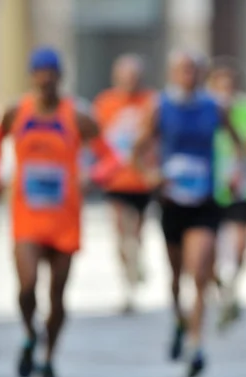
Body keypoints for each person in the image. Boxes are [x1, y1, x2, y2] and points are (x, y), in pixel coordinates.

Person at [0, 47, 120, 377]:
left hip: (64, 220)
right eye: (39, 73)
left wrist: (95, 176)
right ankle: (31, 334)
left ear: (60, 76)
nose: (45, 79)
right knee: (27, 288)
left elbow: (111, 157)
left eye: (51, 73)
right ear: (32, 76)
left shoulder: (78, 115)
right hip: (27, 216)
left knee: (57, 297)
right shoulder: (17, 112)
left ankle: (48, 360)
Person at [133, 50, 243, 377]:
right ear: (172, 73)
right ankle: (180, 323)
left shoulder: (215, 107)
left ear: (202, 73)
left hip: (205, 201)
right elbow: (137, 151)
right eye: (182, 70)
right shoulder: (161, 107)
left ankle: (197, 344)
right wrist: (150, 175)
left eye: (193, 70)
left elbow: (237, 144)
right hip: (172, 202)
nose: (188, 75)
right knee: (176, 278)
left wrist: (234, 173)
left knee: (199, 272)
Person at [93, 53, 159, 313]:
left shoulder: (151, 102)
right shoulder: (104, 103)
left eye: (134, 77)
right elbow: (96, 140)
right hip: (116, 180)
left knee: (137, 234)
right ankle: (127, 285)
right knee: (122, 233)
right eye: (125, 76)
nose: (130, 81)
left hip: (143, 180)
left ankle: (136, 262)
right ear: (116, 77)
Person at [206, 58, 246, 329]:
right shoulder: (204, 107)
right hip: (208, 185)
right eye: (219, 84)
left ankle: (234, 282)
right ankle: (221, 284)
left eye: (229, 84)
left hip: (240, 184)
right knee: (208, 244)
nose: (224, 89)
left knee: (241, 237)